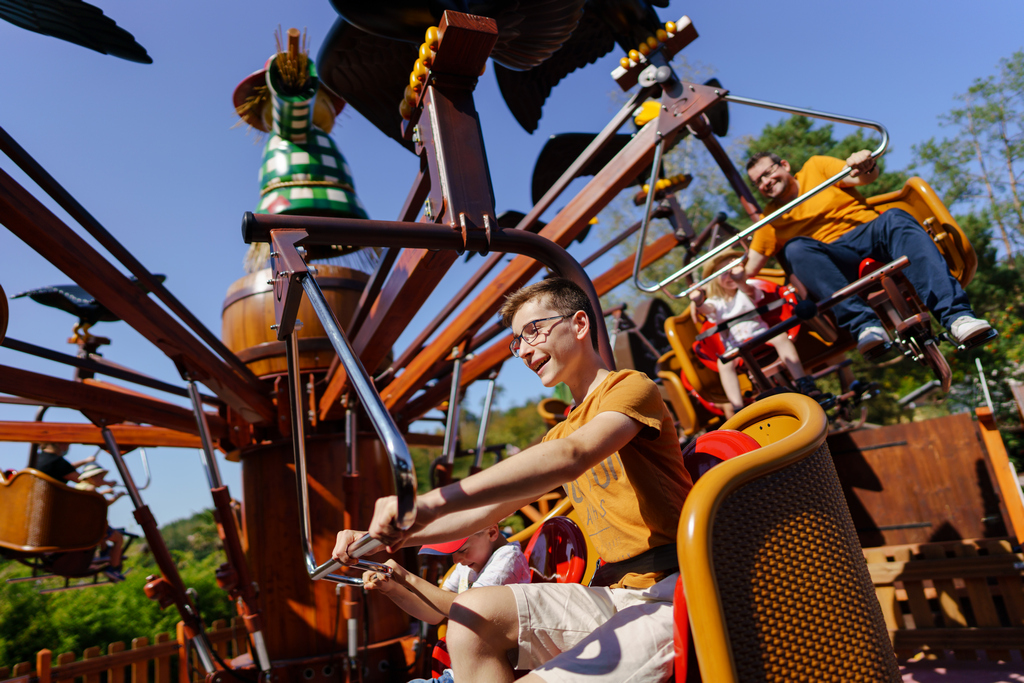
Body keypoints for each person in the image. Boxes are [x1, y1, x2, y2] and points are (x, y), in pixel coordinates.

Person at [333, 277, 691, 683]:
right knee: (470, 616)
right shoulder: (557, 433)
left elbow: (572, 457)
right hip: (614, 595)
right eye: (515, 341)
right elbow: (484, 512)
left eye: (532, 331)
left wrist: (425, 501)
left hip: (673, 590)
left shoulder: (630, 387)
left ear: (578, 324)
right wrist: (388, 538)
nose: (522, 349)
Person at [743, 150, 993, 355]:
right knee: (795, 248)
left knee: (894, 216)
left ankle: (957, 318)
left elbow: (861, 177)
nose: (765, 182)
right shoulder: (770, 219)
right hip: (835, 258)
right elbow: (750, 268)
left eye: (768, 173)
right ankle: (866, 327)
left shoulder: (815, 167)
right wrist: (727, 277)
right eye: (758, 182)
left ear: (784, 165)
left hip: (868, 233)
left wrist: (863, 164)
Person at [362, 525, 531, 683]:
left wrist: (407, 577)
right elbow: (434, 614)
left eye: (462, 550)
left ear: (492, 532)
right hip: (463, 670)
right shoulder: (469, 563)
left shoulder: (507, 560)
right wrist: (392, 589)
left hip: (489, 672)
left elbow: (470, 609)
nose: (456, 559)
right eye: (453, 552)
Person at [690, 249, 826, 417]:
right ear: (715, 280)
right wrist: (698, 301)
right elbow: (707, 309)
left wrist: (741, 280)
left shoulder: (747, 288)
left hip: (760, 335)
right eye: (723, 273)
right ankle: (738, 407)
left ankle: (803, 382)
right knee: (723, 363)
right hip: (736, 345)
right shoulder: (716, 302)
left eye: (733, 269)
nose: (730, 275)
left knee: (781, 337)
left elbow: (749, 292)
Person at [75, 463, 127, 581]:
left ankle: (105, 553)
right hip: (94, 528)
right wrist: (117, 497)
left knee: (105, 531)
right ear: (90, 478)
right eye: (99, 477)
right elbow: (103, 504)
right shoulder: (90, 489)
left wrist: (106, 486)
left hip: (83, 527)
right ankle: (113, 568)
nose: (102, 480)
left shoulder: (78, 487)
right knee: (119, 539)